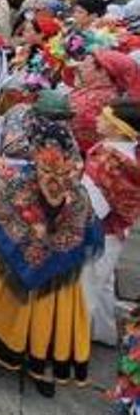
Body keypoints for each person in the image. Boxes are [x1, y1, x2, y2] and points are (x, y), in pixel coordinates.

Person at [0, 116, 103, 397]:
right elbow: (86, 228)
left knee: (2, 299)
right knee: (48, 314)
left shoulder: (16, 180)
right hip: (56, 274)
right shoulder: (77, 189)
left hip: (14, 269)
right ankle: (41, 365)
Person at [82, 99, 140, 345]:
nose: (97, 119)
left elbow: (92, 205)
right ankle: (103, 333)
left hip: (100, 231)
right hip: (116, 231)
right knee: (103, 282)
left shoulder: (110, 160)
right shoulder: (128, 152)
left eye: (104, 117)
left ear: (118, 128)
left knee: (85, 288)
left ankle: (72, 344)